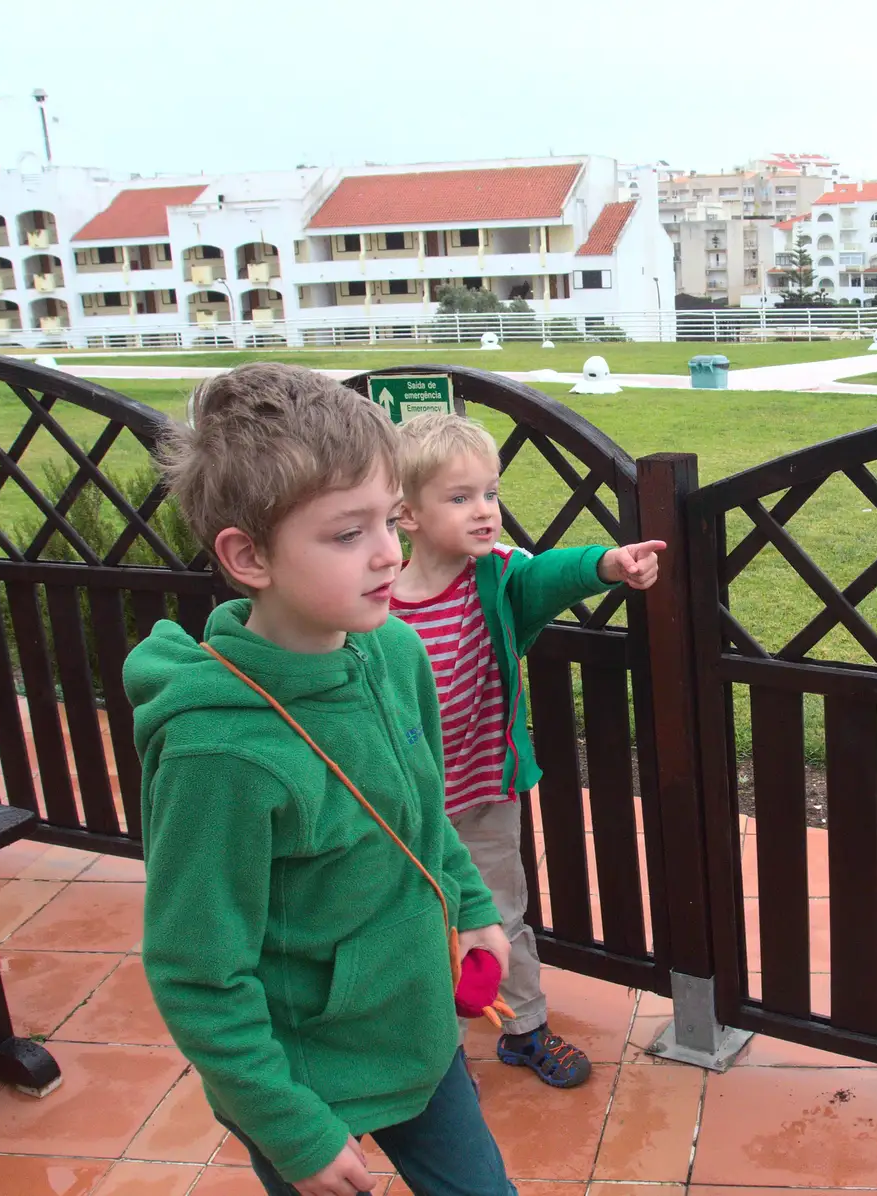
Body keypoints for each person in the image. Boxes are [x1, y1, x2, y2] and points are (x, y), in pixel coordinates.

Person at [126, 364, 516, 1196]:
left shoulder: (393, 650)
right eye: (347, 534)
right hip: (305, 1080)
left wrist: (473, 907)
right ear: (248, 555)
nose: (387, 552)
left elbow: (418, 810)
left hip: (419, 1034)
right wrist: (291, 1131)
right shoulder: (220, 758)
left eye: (389, 518)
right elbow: (198, 971)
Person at [390, 413, 662, 1089]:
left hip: (484, 795)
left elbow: (550, 578)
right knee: (418, 929)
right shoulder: (374, 600)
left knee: (500, 913)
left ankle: (525, 1027)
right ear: (406, 514)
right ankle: (434, 1050)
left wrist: (606, 564)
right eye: (460, 498)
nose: (485, 512)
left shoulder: (500, 577)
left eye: (490, 492)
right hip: (401, 811)